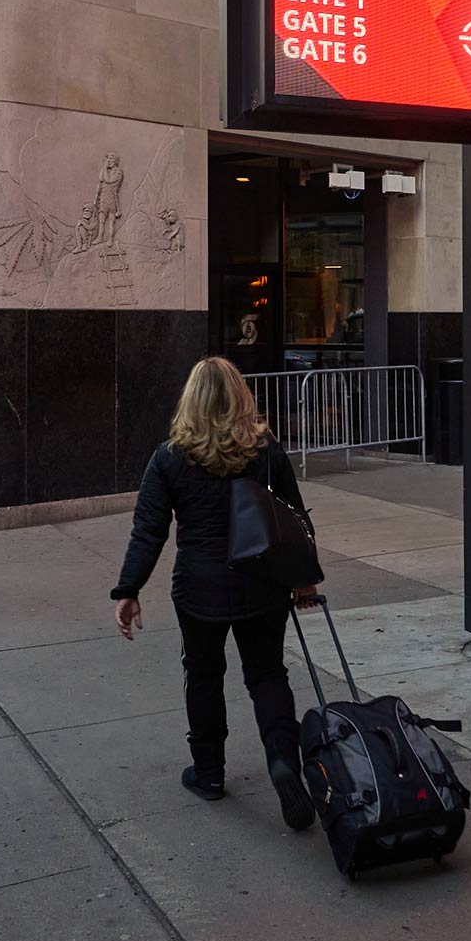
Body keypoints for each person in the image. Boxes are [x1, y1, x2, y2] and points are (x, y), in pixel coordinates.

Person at [111, 356, 320, 833]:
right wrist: (304, 580)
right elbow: (295, 521)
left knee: (203, 676)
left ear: (192, 400)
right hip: (261, 583)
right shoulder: (265, 450)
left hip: (198, 588)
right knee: (267, 674)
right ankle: (284, 761)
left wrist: (129, 590)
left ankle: (208, 773)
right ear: (241, 396)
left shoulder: (169, 456)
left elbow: (149, 530)